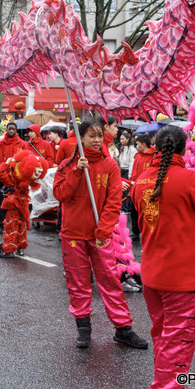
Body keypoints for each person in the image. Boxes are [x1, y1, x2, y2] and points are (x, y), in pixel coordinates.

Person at [131, 125, 195, 389]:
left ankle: (173, 384)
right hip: (182, 277)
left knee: (164, 336)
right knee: (179, 338)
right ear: (183, 149)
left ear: (156, 146)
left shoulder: (140, 181)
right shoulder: (188, 180)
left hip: (153, 274)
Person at [53, 118, 148, 351]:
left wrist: (103, 230)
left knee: (109, 280)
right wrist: (77, 171)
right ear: (81, 137)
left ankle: (123, 329)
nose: (96, 140)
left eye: (99, 136)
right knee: (78, 283)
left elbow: (114, 200)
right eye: (91, 136)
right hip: (72, 234)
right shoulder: (68, 165)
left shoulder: (110, 165)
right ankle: (83, 329)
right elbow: (60, 195)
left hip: (100, 235)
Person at [0, 122, 26, 235]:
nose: (11, 131)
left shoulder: (22, 144)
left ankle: (15, 223)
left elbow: (26, 158)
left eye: (13, 129)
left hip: (16, 178)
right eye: (9, 129)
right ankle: (0, 224)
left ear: (16, 130)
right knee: (0, 201)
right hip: (2, 176)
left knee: (15, 202)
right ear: (6, 130)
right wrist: (0, 166)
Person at [127, 133, 156, 242]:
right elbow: (134, 170)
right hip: (134, 187)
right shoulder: (138, 155)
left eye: (138, 144)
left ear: (144, 144)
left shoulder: (153, 156)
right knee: (133, 211)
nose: (136, 146)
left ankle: (146, 233)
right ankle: (135, 232)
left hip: (146, 189)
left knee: (145, 212)